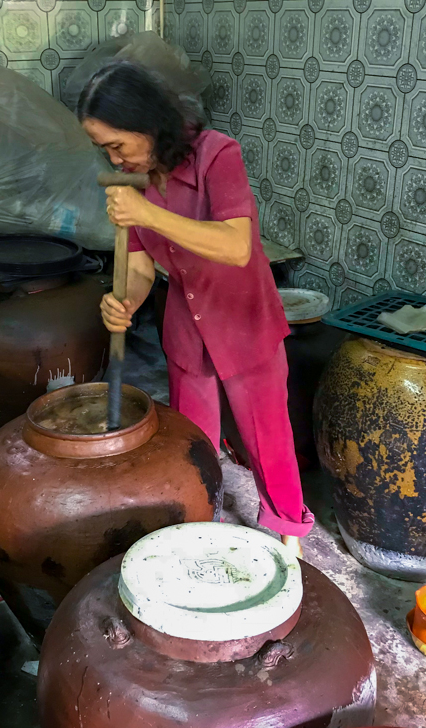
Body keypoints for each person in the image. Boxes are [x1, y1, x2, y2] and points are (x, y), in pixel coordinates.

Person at [77, 61, 313, 558]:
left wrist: (146, 211)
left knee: (266, 437)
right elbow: (139, 268)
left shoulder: (216, 155)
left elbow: (236, 246)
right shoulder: (133, 182)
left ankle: (290, 534)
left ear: (148, 126)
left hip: (242, 319)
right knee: (193, 441)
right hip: (187, 324)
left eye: (117, 145)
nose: (113, 158)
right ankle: (201, 525)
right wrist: (125, 301)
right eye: (104, 150)